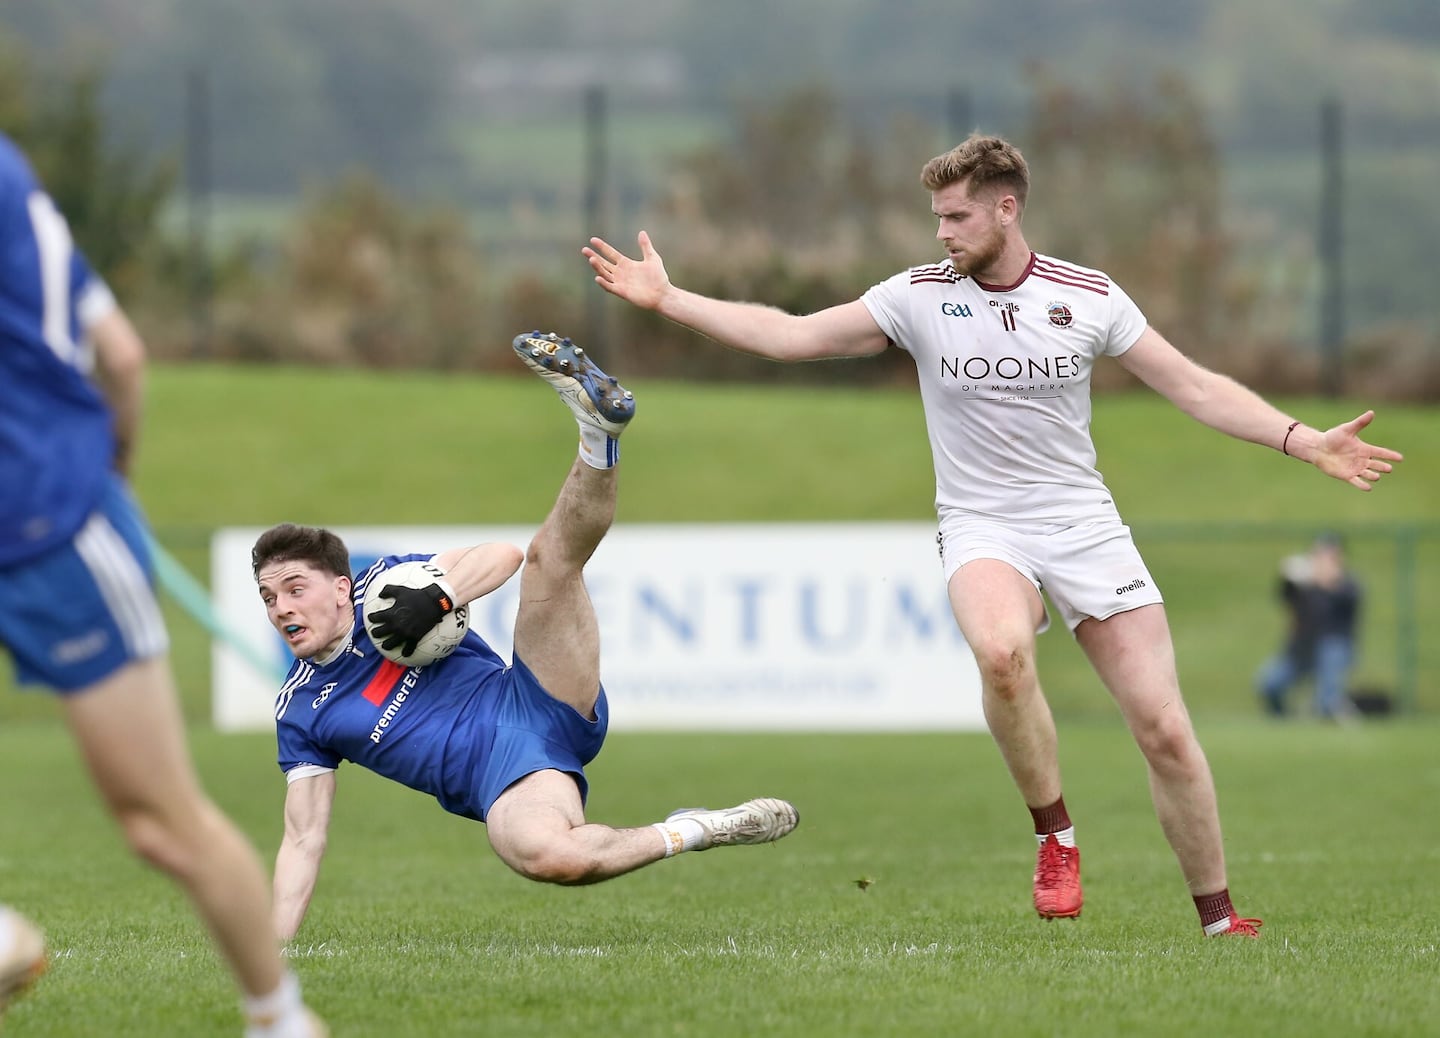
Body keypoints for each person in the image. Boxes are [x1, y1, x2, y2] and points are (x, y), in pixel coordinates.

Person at [580, 133, 1405, 938]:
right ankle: (1056, 836)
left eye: (957, 218)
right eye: (938, 218)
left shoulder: (1088, 296)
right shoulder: (917, 295)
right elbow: (796, 334)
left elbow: (1193, 387)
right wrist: (670, 299)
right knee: (1002, 654)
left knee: (1164, 729)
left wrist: (1305, 440)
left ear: (1006, 211)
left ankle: (1219, 917)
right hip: (983, 524)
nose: (942, 233)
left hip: (1085, 526)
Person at [251, 331, 798, 941]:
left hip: (534, 690)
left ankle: (598, 433)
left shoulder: (388, 580)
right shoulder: (300, 708)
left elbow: (501, 555)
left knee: (549, 560)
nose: (281, 608)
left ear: (339, 586)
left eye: (295, 589)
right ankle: (697, 828)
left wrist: (440, 596)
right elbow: (303, 838)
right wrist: (270, 955)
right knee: (550, 858)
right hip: (506, 775)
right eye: (269, 597)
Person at [0, 132, 325, 1035]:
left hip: (47, 530)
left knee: (161, 821)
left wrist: (106, 485)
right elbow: (122, 354)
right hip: (62, 511)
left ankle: (281, 1019)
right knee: (161, 823)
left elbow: (124, 357)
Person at [1256, 533, 1362, 720]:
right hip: (1301, 650)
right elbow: (1284, 598)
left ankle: (1331, 710)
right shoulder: (1304, 585)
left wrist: (1325, 583)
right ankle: (1283, 721)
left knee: (1326, 696)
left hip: (1332, 651)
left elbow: (1341, 606)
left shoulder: (1347, 585)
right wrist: (1288, 576)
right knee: (1268, 684)